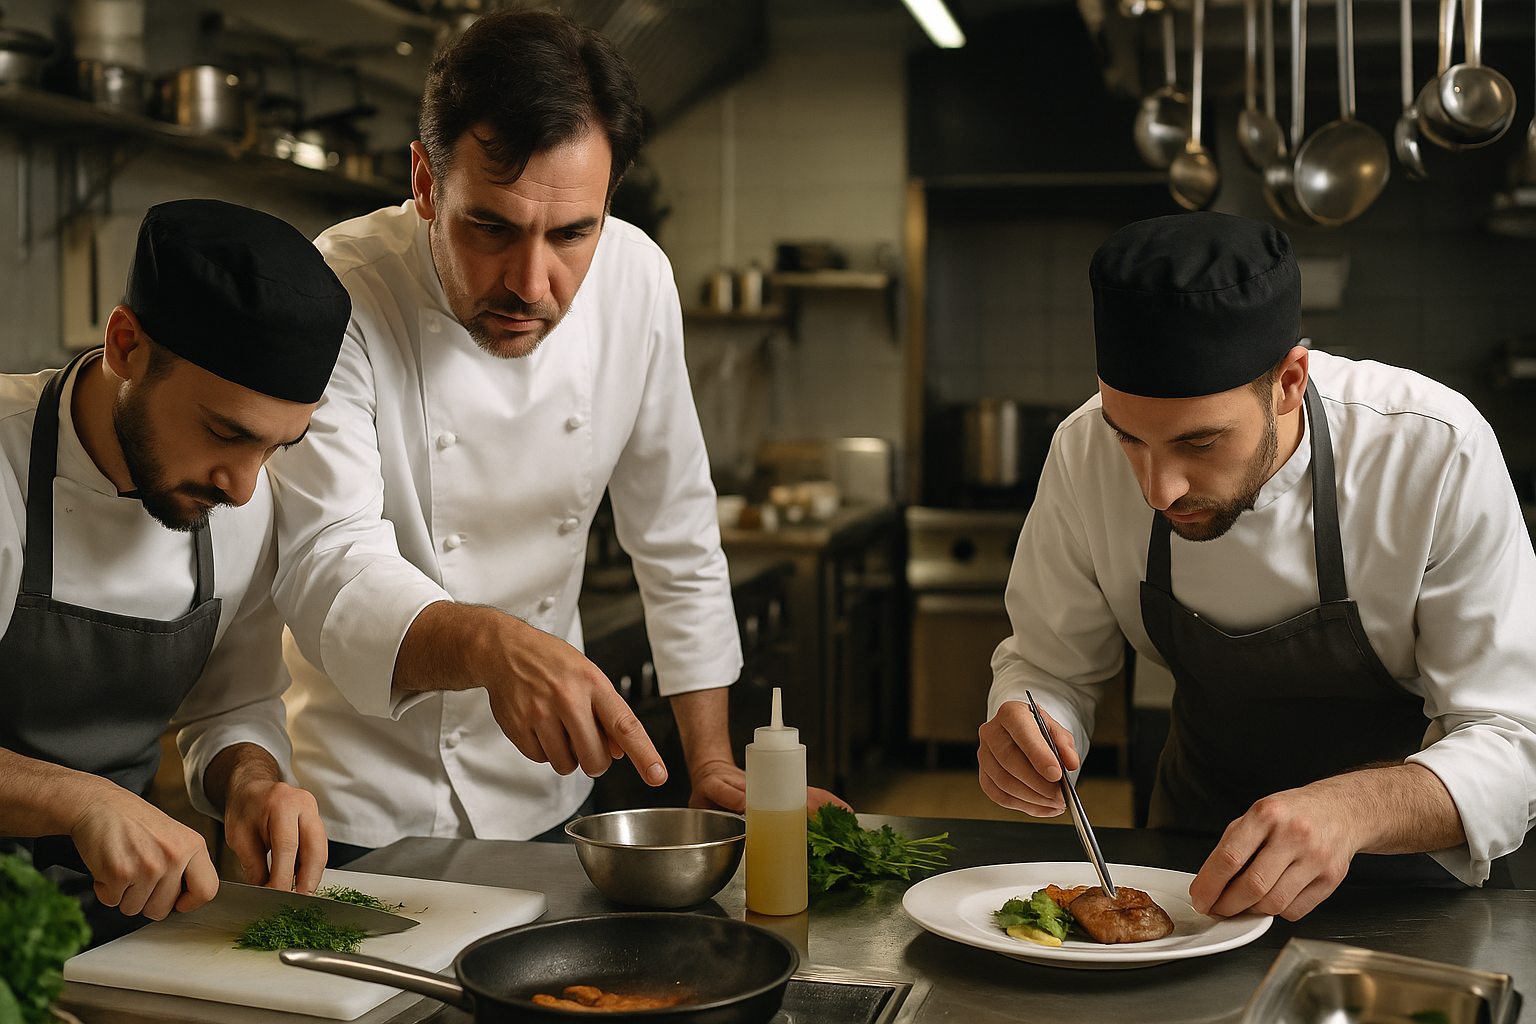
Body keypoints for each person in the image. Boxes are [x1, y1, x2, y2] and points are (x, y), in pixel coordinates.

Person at [269, 9, 842, 862]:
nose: (532, 282)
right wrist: (495, 645)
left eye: (573, 233)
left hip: (542, 791)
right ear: (426, 182)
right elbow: (328, 564)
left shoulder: (638, 280)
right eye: (491, 228)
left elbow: (677, 539)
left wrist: (713, 761)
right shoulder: (340, 291)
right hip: (356, 808)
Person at [979, 212, 1536, 921]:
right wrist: (1031, 722)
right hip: (1191, 874)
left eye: (1201, 443)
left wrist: (1351, 808)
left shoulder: (1433, 453)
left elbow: (1513, 740)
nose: (1159, 489)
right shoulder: (1082, 452)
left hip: (1411, 883)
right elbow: (1050, 666)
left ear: (1290, 383)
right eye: (1131, 441)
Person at [0, 199, 349, 941]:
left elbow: (231, 707)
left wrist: (254, 784)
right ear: (126, 345)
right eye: (226, 431)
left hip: (112, 923)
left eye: (276, 448)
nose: (245, 486)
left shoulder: (238, 500)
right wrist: (80, 800)